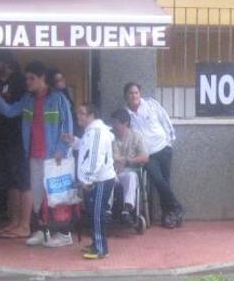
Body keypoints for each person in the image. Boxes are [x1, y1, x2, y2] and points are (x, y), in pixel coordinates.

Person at [0, 61, 74, 247]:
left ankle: (63, 233)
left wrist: (62, 149)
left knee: (57, 194)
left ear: (42, 78)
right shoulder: (28, 99)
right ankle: (42, 230)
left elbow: (67, 125)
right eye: (27, 78)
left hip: (54, 156)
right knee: (38, 195)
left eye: (31, 78)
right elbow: (11, 111)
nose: (28, 82)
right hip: (34, 155)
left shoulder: (58, 98)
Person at [123, 82, 184, 228]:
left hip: (163, 148)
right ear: (126, 96)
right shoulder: (125, 114)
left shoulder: (151, 105)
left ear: (140, 94)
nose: (134, 96)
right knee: (158, 181)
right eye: (131, 93)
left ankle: (168, 216)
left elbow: (165, 120)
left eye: (136, 92)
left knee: (165, 183)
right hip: (148, 155)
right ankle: (177, 207)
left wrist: (170, 142)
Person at [66, 104, 115, 260]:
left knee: (97, 214)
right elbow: (86, 148)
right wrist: (74, 141)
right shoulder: (91, 132)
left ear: (92, 115)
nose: (78, 116)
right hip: (96, 179)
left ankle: (101, 248)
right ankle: (96, 243)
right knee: (93, 213)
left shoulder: (97, 132)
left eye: (82, 113)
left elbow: (95, 157)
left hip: (100, 180)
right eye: (77, 113)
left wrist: (87, 179)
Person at [0, 51, 26, 235]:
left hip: (17, 136)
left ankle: (23, 222)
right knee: (7, 181)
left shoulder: (19, 81)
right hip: (1, 137)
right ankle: (13, 220)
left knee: (20, 179)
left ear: (6, 62)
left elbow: (13, 110)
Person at [110, 109, 148, 222]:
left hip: (128, 170)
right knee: (107, 177)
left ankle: (127, 209)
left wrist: (127, 162)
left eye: (116, 123)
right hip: (112, 171)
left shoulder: (136, 136)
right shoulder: (109, 136)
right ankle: (106, 210)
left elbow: (145, 157)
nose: (113, 126)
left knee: (131, 176)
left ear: (125, 123)